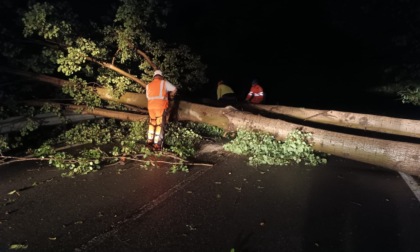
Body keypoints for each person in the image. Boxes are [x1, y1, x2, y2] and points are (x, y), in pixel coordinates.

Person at [146, 70, 177, 151]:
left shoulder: (148, 85)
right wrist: (170, 96)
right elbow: (174, 89)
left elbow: (148, 96)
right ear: (161, 76)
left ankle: (149, 141)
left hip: (151, 107)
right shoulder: (164, 83)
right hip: (160, 106)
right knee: (160, 125)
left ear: (154, 76)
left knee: (152, 123)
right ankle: (157, 144)